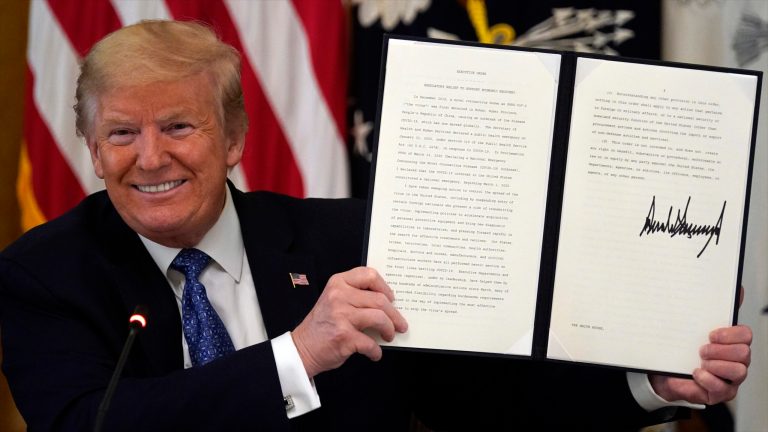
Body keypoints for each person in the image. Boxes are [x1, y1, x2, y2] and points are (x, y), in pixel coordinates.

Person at [0, 19, 752, 431]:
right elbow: (86, 426)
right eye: (122, 134)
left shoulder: (349, 242)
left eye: (177, 126)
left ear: (233, 140)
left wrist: (648, 384)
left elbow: (480, 404)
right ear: (93, 150)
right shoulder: (43, 272)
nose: (150, 157)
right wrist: (297, 356)